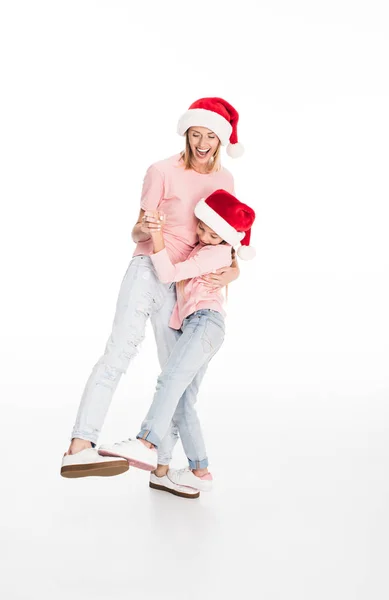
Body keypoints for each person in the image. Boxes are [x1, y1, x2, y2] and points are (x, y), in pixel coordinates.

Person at [60, 97, 243, 483]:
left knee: (174, 376)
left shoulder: (225, 180)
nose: (203, 143)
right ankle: (80, 445)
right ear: (187, 134)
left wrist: (233, 272)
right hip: (148, 269)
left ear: (221, 139)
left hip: (183, 287)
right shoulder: (160, 171)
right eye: (196, 134)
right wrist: (150, 228)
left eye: (210, 135)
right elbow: (136, 231)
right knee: (120, 350)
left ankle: (162, 468)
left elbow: (229, 238)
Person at [97, 189, 256, 498]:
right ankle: (200, 471)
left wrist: (155, 236)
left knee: (169, 380)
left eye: (213, 233)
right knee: (183, 401)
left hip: (205, 322)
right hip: (199, 327)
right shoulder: (207, 249)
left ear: (225, 238)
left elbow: (167, 273)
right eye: (202, 228)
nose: (205, 236)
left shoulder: (215, 252)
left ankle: (147, 442)